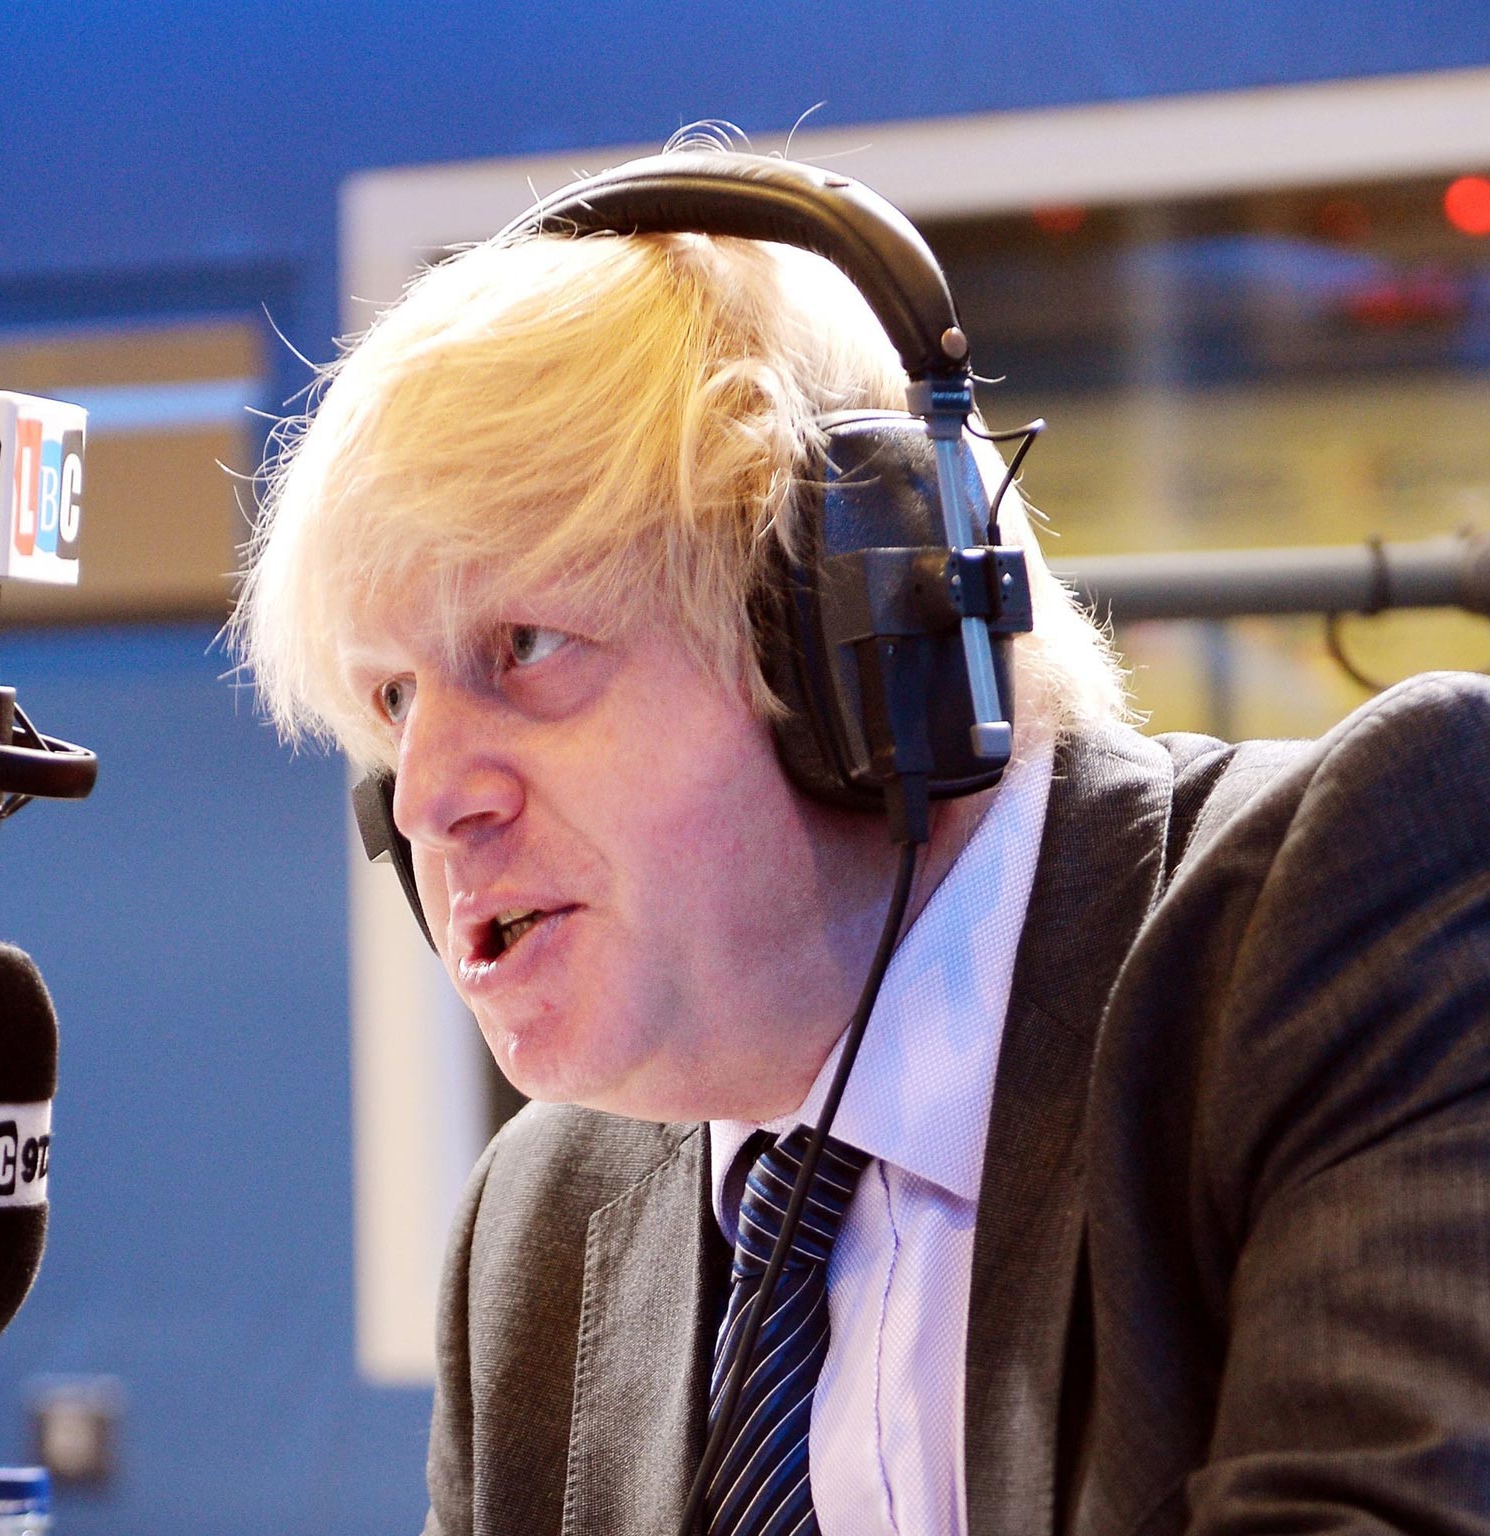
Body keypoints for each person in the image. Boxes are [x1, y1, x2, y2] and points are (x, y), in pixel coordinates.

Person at [231, 148, 1490, 1536]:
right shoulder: (544, 1226)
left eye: (524, 648)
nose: (424, 798)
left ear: (852, 636)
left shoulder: (1343, 924)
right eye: (393, 698)